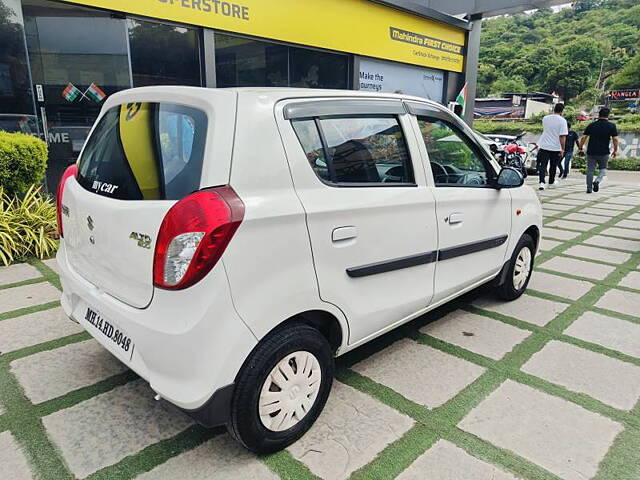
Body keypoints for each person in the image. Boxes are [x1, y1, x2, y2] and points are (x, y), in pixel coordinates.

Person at [578, 107, 619, 193]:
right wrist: (615, 150)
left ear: (599, 115)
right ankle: (597, 181)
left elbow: (584, 137)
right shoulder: (611, 126)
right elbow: (615, 139)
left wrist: (580, 147)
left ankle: (589, 188)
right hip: (604, 152)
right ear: (608, 115)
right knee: (602, 169)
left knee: (590, 170)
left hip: (591, 152)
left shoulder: (592, 125)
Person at [537, 103, 568, 190]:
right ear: (562, 111)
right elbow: (562, 136)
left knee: (543, 165)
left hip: (544, 145)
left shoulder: (545, 118)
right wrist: (562, 149)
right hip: (555, 147)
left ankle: (542, 182)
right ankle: (551, 182)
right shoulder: (562, 121)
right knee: (553, 165)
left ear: (554, 109)